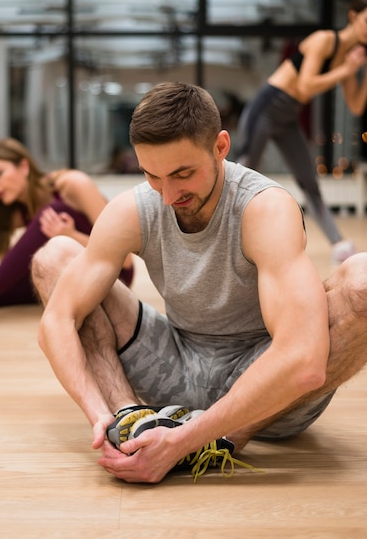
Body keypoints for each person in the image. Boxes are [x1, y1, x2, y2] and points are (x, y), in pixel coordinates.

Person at [31, 82, 367, 484]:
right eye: (152, 175)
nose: (169, 194)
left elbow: (304, 361)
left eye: (183, 174)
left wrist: (184, 441)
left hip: (266, 389)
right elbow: (57, 321)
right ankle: (129, 417)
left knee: (363, 278)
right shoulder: (136, 207)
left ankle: (223, 438)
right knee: (53, 257)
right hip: (175, 363)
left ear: (221, 146)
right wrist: (99, 413)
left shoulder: (265, 208)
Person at [236, 0, 367, 263]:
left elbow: (355, 106)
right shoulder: (325, 40)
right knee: (242, 173)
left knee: (309, 182)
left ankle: (340, 246)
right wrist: (346, 71)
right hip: (267, 107)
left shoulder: (350, 59)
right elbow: (307, 85)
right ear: (353, 17)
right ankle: (225, 238)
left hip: (288, 118)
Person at [0, 137, 134, 329]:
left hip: (111, 276)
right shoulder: (15, 210)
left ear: (24, 166)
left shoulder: (71, 184)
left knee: (50, 214)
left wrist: (69, 234)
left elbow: (125, 258)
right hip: (61, 277)